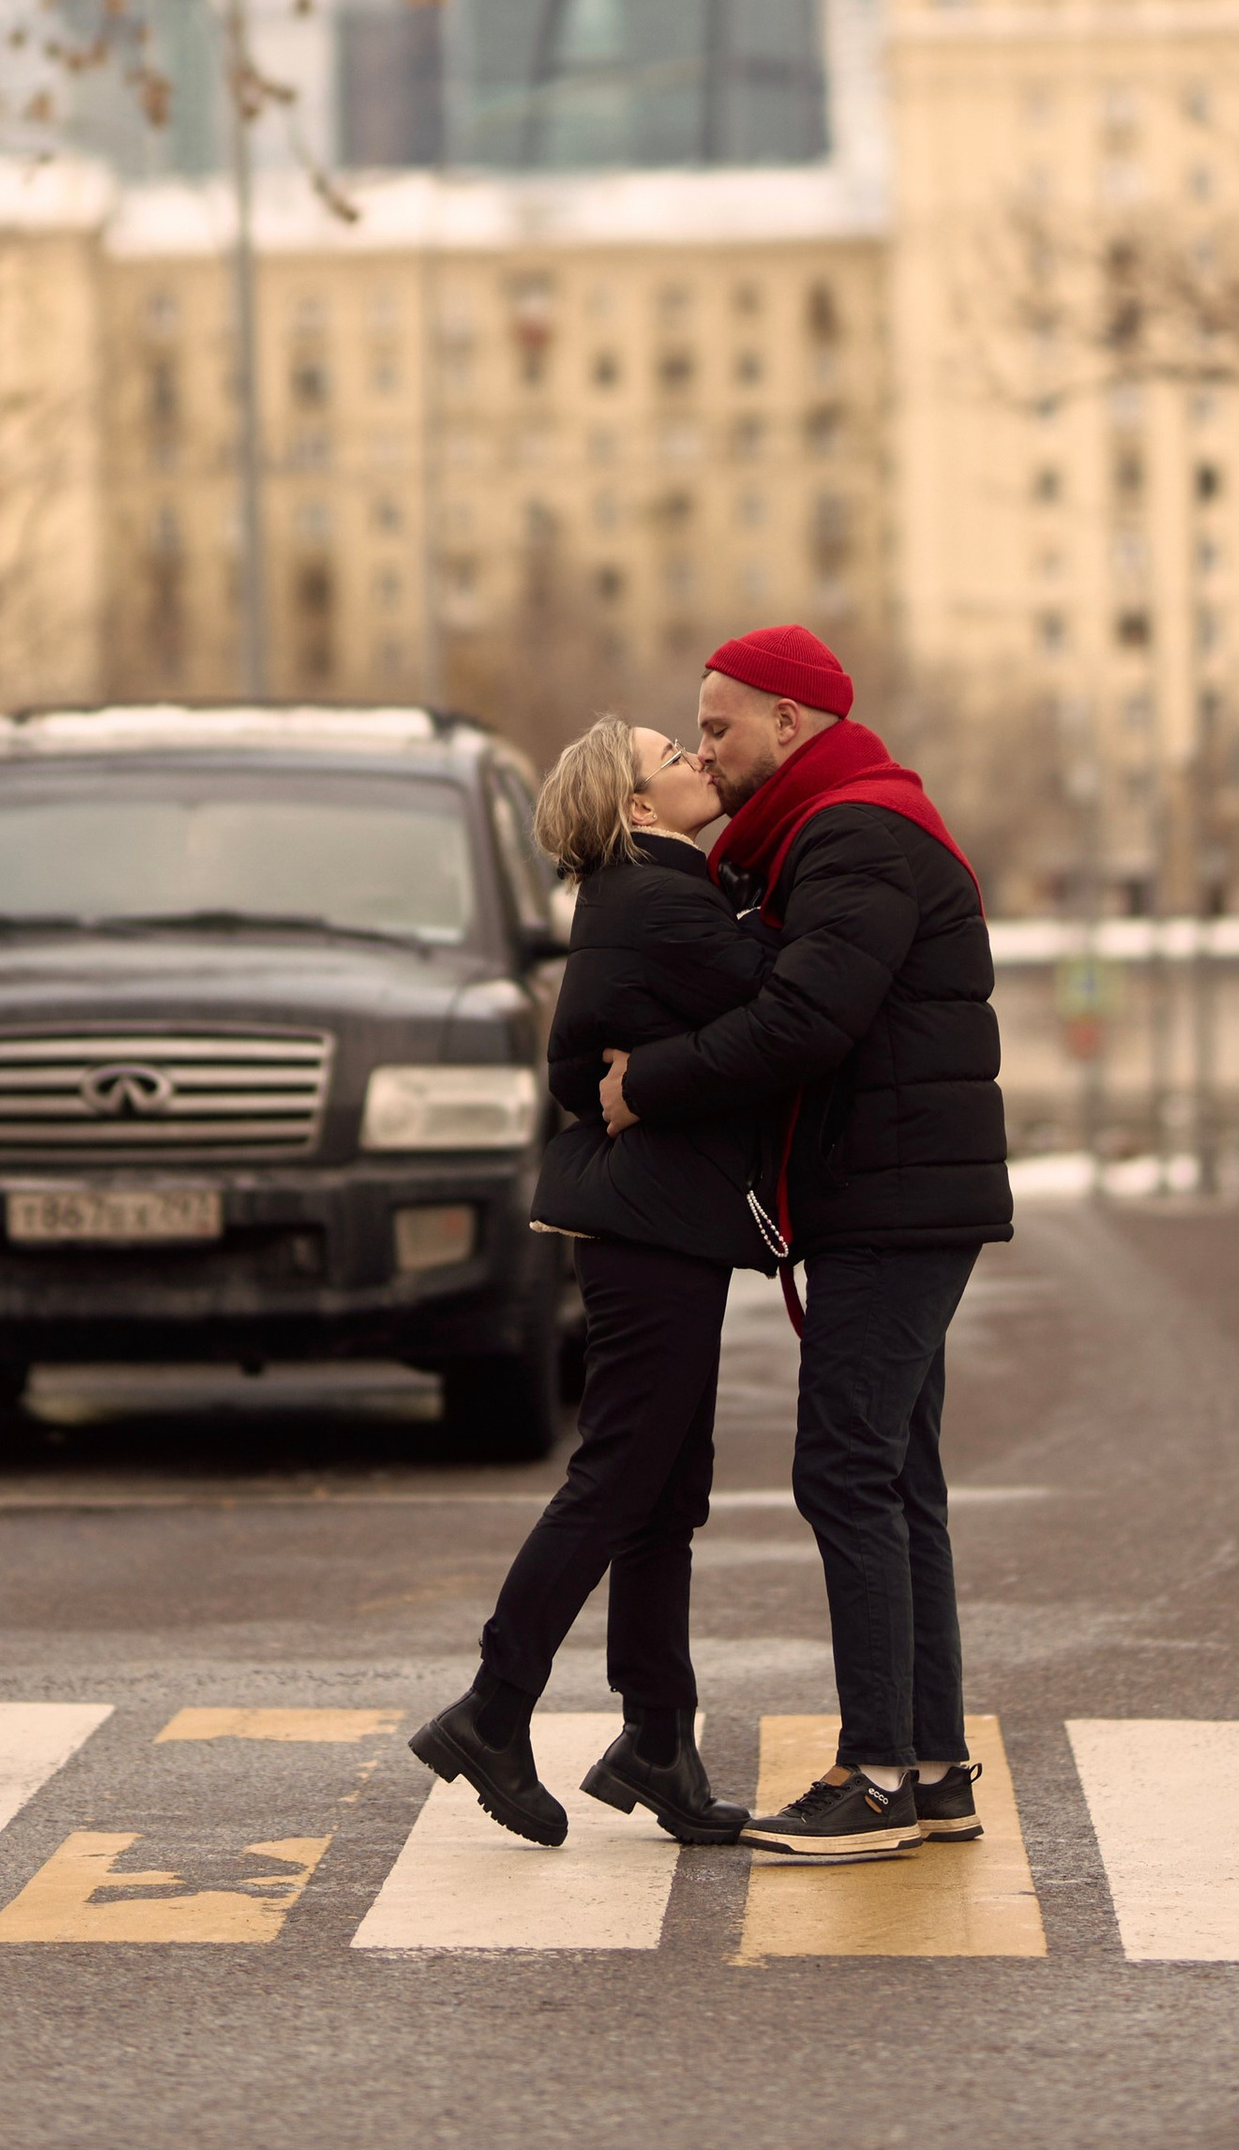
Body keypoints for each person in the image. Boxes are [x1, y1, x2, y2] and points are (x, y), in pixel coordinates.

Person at [600, 624, 1009, 1863]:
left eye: (719, 725)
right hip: (889, 1193)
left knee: (842, 1467)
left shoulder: (854, 833)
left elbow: (804, 1021)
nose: (706, 746)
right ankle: (930, 1770)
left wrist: (644, 1085)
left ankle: (874, 1775)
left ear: (792, 722)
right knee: (893, 1478)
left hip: (894, 1200)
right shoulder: (827, 830)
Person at [409, 715, 773, 1850]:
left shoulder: (633, 899)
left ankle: (658, 1740)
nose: (695, 763)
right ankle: (494, 1706)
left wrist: (639, 1077)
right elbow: (787, 1002)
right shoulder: (660, 899)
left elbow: (576, 1061)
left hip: (652, 1222)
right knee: (621, 1476)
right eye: (674, 757)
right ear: (634, 808)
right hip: (652, 1228)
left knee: (663, 1488)